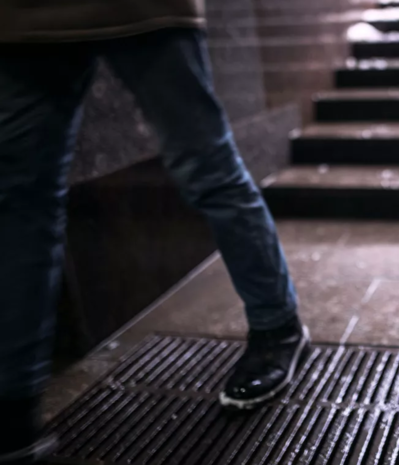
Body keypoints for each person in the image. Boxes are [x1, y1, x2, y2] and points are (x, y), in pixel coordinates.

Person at [0, 1, 308, 463]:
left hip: (144, 9)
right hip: (23, 19)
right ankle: (13, 404)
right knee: (20, 203)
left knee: (208, 167)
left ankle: (277, 326)